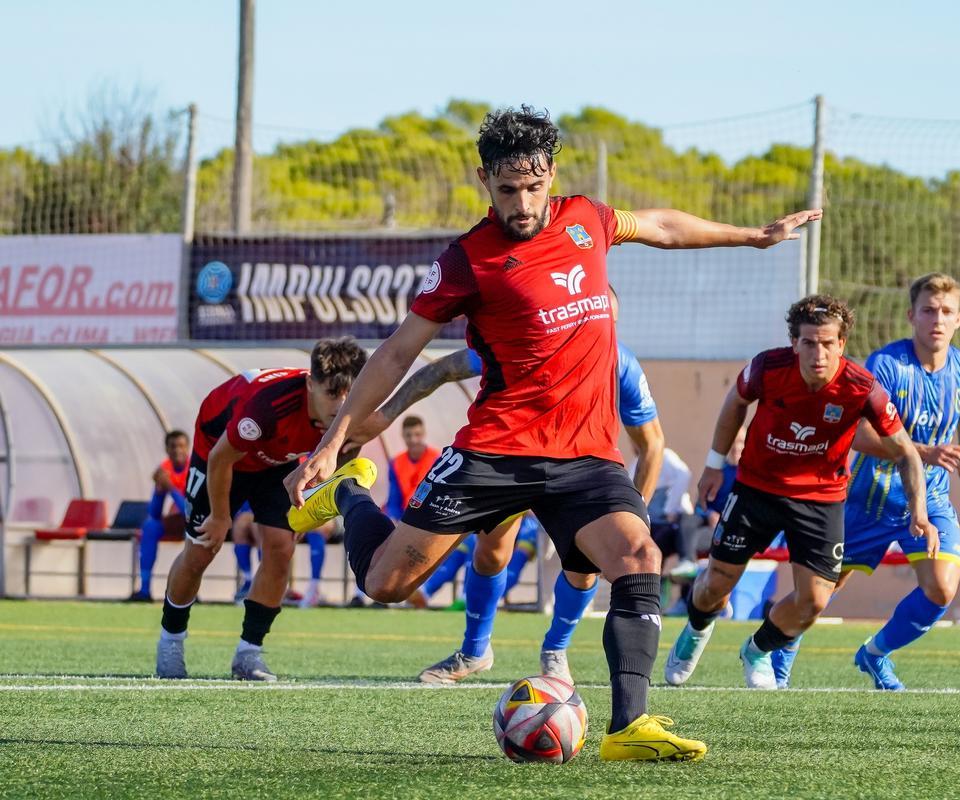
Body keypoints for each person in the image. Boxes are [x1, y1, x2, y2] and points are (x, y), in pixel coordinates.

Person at [284, 105, 820, 761]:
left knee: (638, 558)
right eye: (507, 190)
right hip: (495, 453)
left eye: (533, 187)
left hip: (582, 458)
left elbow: (663, 225)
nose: (522, 203)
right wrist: (336, 442)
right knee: (388, 583)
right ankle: (349, 494)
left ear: (551, 176)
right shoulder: (465, 262)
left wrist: (752, 237)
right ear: (484, 180)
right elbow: (399, 354)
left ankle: (629, 727)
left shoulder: (587, 219)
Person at [351, 289, 667, 684]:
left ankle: (555, 650)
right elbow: (441, 370)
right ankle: (474, 650)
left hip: (578, 475)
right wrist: (384, 415)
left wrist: (635, 515)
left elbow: (651, 443)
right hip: (509, 464)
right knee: (490, 553)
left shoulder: (621, 363)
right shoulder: (528, 341)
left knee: (582, 570)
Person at [664, 295, 935, 690]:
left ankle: (757, 650)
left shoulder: (862, 388)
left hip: (820, 499)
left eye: (827, 343)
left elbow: (906, 452)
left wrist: (919, 512)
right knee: (714, 587)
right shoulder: (768, 367)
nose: (818, 353)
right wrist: (713, 464)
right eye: (809, 342)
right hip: (756, 488)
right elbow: (735, 402)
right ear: (795, 343)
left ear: (842, 344)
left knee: (813, 603)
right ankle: (695, 630)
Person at [154, 337, 371, 682]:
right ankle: (171, 640)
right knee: (200, 551)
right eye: (332, 394)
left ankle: (248, 653)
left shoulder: (354, 407)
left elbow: (347, 450)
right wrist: (221, 516)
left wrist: (314, 504)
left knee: (281, 548)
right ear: (310, 383)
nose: (340, 404)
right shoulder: (267, 408)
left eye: (349, 394)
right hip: (221, 455)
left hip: (277, 463)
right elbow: (221, 458)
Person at [836, 272, 960, 690]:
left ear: (959, 319)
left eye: (946, 312)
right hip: (871, 497)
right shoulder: (887, 365)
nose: (936, 319)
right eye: (928, 311)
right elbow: (857, 434)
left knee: (941, 589)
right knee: (819, 589)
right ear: (911, 316)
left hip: (931, 498)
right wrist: (924, 451)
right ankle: (777, 655)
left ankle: (874, 654)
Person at [127, 430, 190, 602]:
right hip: (175, 519)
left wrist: (170, 487)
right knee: (150, 526)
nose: (177, 450)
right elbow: (154, 513)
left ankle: (190, 591)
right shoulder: (164, 470)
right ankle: (145, 590)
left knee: (192, 529)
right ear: (167, 449)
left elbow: (189, 511)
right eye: (173, 446)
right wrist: (159, 490)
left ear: (188, 448)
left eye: (181, 446)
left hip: (197, 520)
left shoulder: (194, 469)